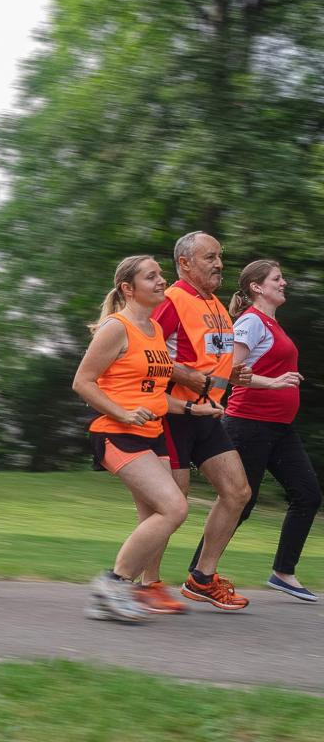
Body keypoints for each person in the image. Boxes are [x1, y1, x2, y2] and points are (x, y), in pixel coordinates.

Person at [73, 255, 222, 621]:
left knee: (155, 516)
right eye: (151, 277)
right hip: (117, 434)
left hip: (151, 432)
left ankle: (123, 593)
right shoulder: (116, 327)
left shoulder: (154, 330)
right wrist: (121, 413)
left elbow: (152, 393)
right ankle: (112, 584)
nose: (161, 281)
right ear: (128, 288)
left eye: (160, 275)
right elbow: (82, 382)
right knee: (175, 507)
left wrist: (191, 410)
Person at [189, 260, 319, 602]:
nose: (284, 282)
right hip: (248, 424)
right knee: (238, 502)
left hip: (279, 429)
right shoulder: (250, 322)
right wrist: (274, 383)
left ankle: (283, 572)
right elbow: (229, 369)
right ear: (256, 287)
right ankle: (198, 574)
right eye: (277, 278)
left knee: (307, 494)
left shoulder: (273, 324)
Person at [142, 231, 253, 610]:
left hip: (207, 415)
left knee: (238, 491)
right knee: (172, 501)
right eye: (210, 257)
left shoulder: (218, 306)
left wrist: (232, 375)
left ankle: (202, 578)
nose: (219, 263)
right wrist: (184, 375)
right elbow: (143, 353)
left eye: (220, 256)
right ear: (185, 263)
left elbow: (213, 358)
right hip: (172, 414)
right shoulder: (170, 300)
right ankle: (149, 584)